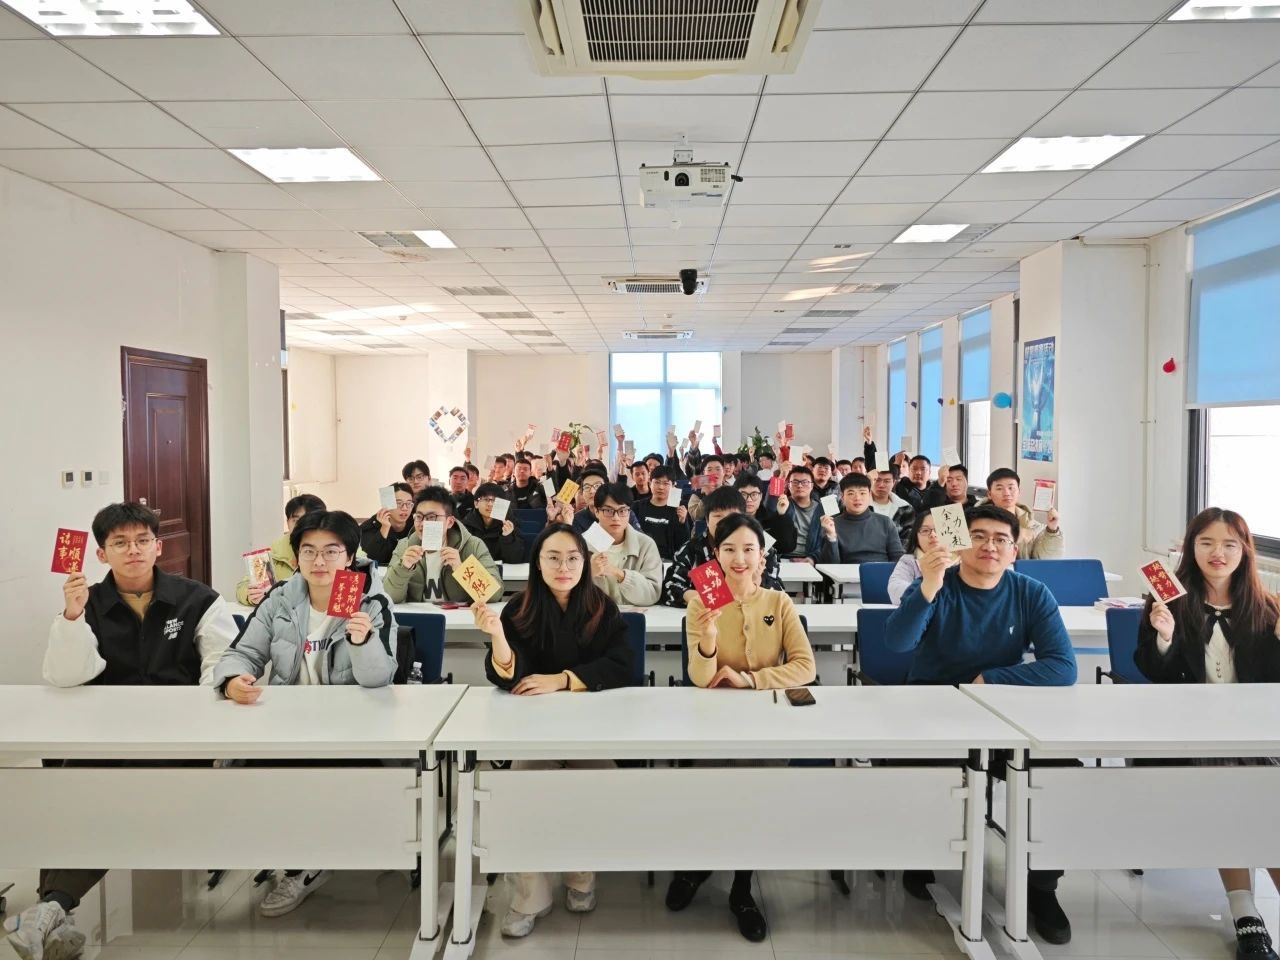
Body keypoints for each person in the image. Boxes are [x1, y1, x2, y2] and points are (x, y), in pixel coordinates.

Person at [12, 503, 238, 960]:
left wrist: (214, 702)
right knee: (72, 789)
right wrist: (72, 617)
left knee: (101, 797)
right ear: (101, 553)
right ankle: (52, 914)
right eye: (120, 543)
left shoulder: (197, 598)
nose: (133, 550)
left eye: (142, 541)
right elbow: (66, 676)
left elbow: (221, 659)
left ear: (158, 547)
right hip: (106, 736)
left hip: (177, 739)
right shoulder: (89, 602)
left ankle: (51, 907)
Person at [886, 503, 1077, 943]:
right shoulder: (937, 583)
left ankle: (1042, 887)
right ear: (959, 542)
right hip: (934, 709)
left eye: (1001, 539)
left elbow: (1063, 666)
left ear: (1014, 551)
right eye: (978, 536)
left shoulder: (1030, 592)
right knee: (920, 773)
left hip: (1003, 715)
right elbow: (897, 642)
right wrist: (928, 586)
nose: (990, 546)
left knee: (1059, 774)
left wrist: (992, 678)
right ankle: (921, 855)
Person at [211, 510, 398, 919]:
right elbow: (242, 652)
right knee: (251, 776)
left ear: (350, 557)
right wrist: (232, 680)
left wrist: (363, 641)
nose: (319, 561)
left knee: (318, 778)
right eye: (309, 551)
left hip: (352, 730)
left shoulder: (371, 602)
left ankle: (305, 865)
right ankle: (295, 853)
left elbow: (379, 679)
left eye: (332, 551)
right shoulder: (280, 599)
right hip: (287, 724)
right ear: (296, 557)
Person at [473, 523, 633, 939]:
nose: (564, 567)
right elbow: (511, 676)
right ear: (538, 563)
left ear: (585, 562)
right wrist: (497, 637)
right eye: (553, 558)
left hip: (590, 728)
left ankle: (582, 876)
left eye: (573, 558)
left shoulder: (602, 607)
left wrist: (563, 679)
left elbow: (623, 666)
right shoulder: (519, 609)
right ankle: (530, 895)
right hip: (533, 729)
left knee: (597, 786)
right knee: (522, 792)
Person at [1135, 508, 1280, 960]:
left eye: (1229, 544)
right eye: (1207, 543)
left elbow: (1271, 684)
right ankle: (1245, 912)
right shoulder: (1167, 601)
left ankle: (1246, 911)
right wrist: (1164, 636)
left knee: (1265, 797)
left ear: (1245, 552)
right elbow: (1153, 672)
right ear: (1191, 548)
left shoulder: (1268, 608)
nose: (1218, 553)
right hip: (1192, 733)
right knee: (1238, 790)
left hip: (1256, 733)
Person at [668, 512, 816, 943]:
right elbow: (700, 677)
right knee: (710, 794)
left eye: (749, 549)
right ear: (715, 555)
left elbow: (805, 667)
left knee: (753, 795)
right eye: (729, 549)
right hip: (712, 722)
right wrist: (709, 636)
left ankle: (741, 887)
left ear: (762, 556)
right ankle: (696, 868)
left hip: (767, 722)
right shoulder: (701, 602)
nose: (739, 558)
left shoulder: (778, 602)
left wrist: (750, 679)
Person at [661, 486, 783, 605]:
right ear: (707, 520)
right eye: (718, 516)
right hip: (707, 615)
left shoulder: (761, 549)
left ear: (743, 517)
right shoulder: (692, 549)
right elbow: (670, 587)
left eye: (732, 516)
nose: (725, 522)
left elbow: (778, 591)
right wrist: (705, 599)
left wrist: (757, 581)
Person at [384, 487, 503, 603]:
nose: (423, 524)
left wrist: (462, 569)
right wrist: (404, 567)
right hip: (419, 615)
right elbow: (388, 596)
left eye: (432, 517)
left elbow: (495, 595)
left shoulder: (472, 546)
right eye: (419, 517)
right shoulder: (405, 546)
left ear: (449, 522)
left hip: (460, 615)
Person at [235, 494, 326, 605]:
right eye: (296, 520)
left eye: (310, 520)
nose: (303, 526)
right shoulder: (273, 554)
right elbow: (242, 587)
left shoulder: (337, 553)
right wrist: (250, 596)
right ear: (288, 523)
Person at [585, 483, 663, 606]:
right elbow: (567, 593)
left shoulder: (646, 545)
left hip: (635, 616)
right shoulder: (581, 544)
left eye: (622, 511)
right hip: (594, 615)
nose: (616, 518)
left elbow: (653, 593)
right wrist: (589, 573)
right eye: (608, 510)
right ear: (596, 511)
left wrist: (621, 575)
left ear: (629, 512)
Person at [818, 472, 905, 565]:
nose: (857, 498)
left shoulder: (885, 522)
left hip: (880, 572)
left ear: (869, 495)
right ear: (842, 497)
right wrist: (831, 536)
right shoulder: (832, 525)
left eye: (862, 493)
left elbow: (898, 558)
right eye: (851, 493)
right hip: (846, 573)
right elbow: (831, 565)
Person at [981, 468, 1063, 559]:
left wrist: (1052, 530)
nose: (1006, 493)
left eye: (1011, 488)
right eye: (999, 488)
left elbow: (1045, 560)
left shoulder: (1033, 526)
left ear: (1019, 491)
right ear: (989, 494)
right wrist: (1016, 533)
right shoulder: (975, 522)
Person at [887, 511, 959, 605]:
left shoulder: (966, 560)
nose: (933, 534)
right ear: (916, 537)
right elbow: (895, 590)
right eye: (925, 530)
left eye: (939, 529)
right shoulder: (909, 561)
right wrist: (929, 587)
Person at [631, 465, 690, 561]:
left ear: (673, 486)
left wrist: (682, 522)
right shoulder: (637, 507)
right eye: (657, 482)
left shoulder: (679, 509)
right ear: (650, 483)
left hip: (668, 560)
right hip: (641, 558)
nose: (661, 487)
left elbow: (683, 544)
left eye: (666, 483)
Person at [735, 473, 797, 558]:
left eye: (754, 494)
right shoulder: (728, 519)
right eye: (743, 495)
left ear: (761, 496)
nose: (749, 499)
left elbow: (786, 547)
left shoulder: (771, 518)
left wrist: (782, 515)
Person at [463, 482, 527, 563]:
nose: (490, 504)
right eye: (486, 499)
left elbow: (516, 559)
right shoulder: (465, 526)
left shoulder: (510, 523)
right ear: (476, 504)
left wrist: (508, 537)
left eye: (495, 500)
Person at [358, 482, 414, 565]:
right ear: (387, 505)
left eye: (409, 503)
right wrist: (385, 528)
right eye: (399, 503)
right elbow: (370, 559)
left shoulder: (415, 524)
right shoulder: (370, 526)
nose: (405, 508)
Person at [780, 465, 824, 563]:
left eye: (805, 482)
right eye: (795, 482)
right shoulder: (782, 503)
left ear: (812, 486)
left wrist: (813, 558)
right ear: (788, 485)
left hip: (811, 559)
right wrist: (781, 476)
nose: (800, 486)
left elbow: (827, 541)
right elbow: (770, 505)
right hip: (783, 558)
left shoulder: (823, 509)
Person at [869, 468, 914, 551]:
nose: (881, 485)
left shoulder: (905, 508)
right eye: (877, 480)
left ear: (893, 482)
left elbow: (907, 539)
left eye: (886, 481)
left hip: (896, 556)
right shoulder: (860, 505)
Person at [686, 454, 726, 522]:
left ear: (724, 472)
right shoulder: (696, 496)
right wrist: (707, 495)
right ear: (704, 473)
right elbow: (696, 517)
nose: (714, 473)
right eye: (709, 470)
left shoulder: (731, 493)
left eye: (718, 469)